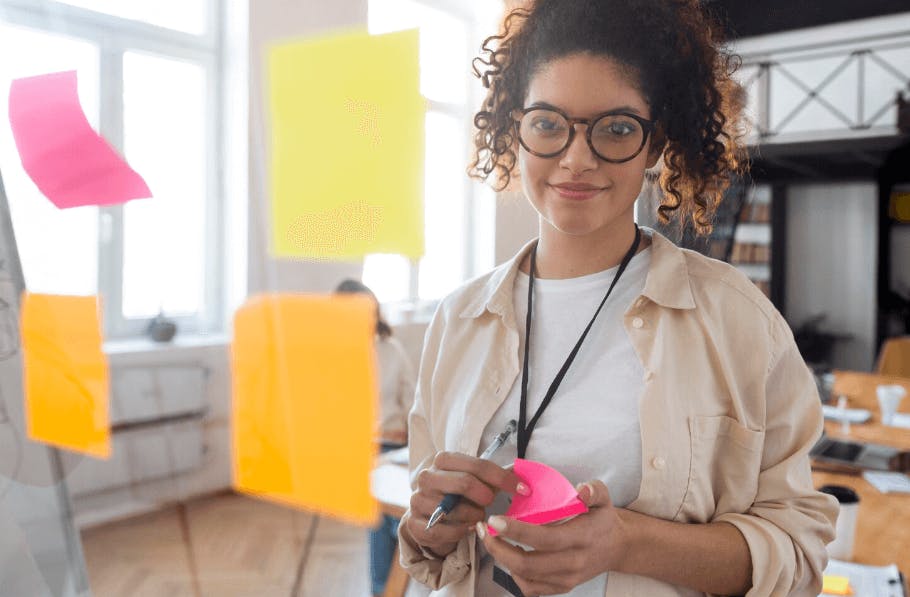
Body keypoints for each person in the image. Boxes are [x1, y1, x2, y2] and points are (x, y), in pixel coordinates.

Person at [397, 1, 838, 596]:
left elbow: (799, 553)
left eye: (617, 129)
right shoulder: (459, 319)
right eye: (547, 124)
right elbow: (428, 549)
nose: (577, 159)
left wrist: (628, 543)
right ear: (514, 129)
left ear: (655, 145)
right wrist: (428, 526)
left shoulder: (735, 319)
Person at [335, 279, 417, 597]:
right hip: (362, 449)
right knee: (385, 515)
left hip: (396, 444)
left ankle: (386, 585)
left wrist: (410, 434)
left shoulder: (391, 350)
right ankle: (386, 584)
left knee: (388, 511)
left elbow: (413, 402)